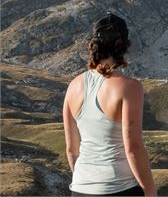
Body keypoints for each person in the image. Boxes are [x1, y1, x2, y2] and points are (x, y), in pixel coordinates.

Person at [63, 12, 157, 196]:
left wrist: (87, 182)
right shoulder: (130, 87)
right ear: (123, 46)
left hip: (81, 187)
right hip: (120, 187)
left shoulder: (74, 86)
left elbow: (71, 150)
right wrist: (150, 191)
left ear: (93, 45)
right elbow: (133, 148)